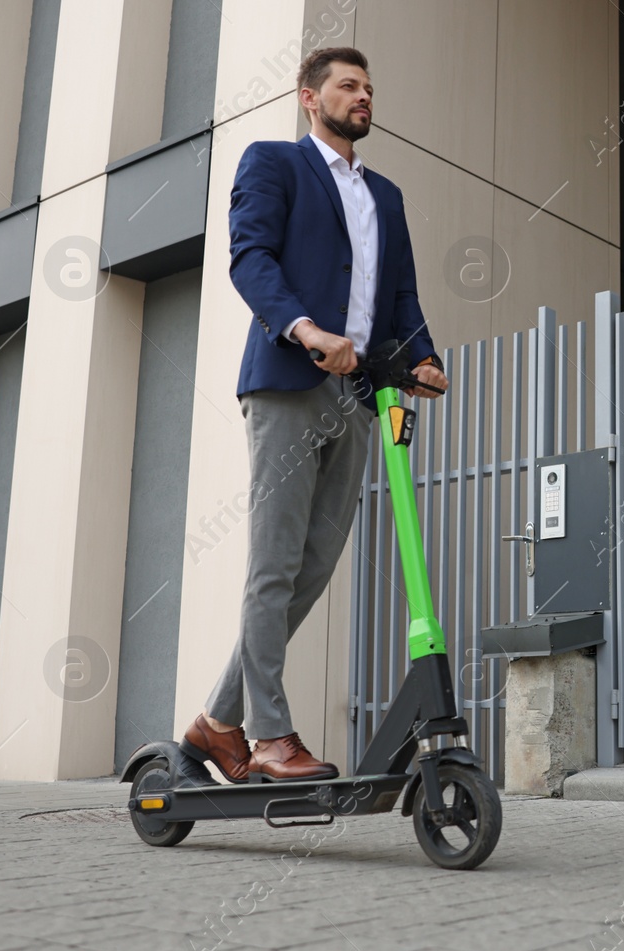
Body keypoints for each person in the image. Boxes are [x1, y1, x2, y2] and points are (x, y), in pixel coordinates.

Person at [181, 46, 447, 783]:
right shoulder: (274, 163)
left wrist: (422, 356)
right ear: (310, 97)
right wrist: (304, 327)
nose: (363, 96)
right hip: (290, 381)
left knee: (314, 566)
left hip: (358, 398)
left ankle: (216, 718)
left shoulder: (385, 195)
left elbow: (400, 297)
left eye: (369, 86)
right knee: (273, 562)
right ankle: (268, 734)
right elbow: (251, 258)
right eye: (348, 85)